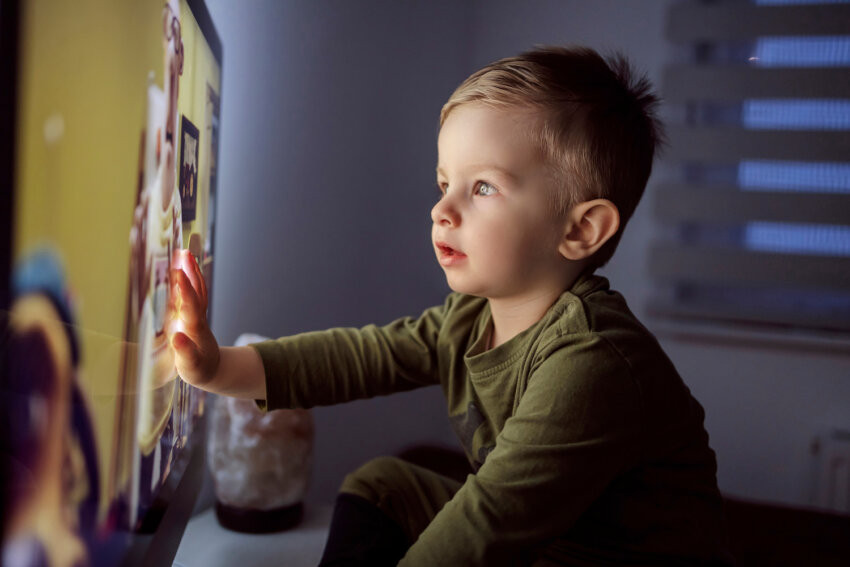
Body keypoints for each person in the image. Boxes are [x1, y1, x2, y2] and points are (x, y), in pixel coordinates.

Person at [168, 46, 733, 566]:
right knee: (384, 485)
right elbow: (358, 357)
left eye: (482, 187)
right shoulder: (468, 320)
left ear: (581, 228)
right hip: (547, 544)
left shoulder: (593, 361)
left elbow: (485, 526)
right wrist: (217, 367)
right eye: (444, 183)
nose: (442, 209)